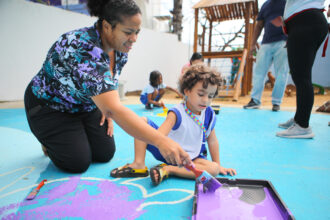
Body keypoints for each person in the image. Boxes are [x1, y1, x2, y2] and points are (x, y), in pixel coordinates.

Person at [24, 0, 191, 173]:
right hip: (50, 107)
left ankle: (72, 135)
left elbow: (107, 85)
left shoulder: (119, 49)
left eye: (137, 32)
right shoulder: (82, 49)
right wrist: (162, 141)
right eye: (128, 32)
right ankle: (47, 142)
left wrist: (108, 108)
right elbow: (113, 106)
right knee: (77, 162)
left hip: (84, 104)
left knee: (104, 153)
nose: (134, 39)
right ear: (107, 26)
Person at [111, 65, 236, 185]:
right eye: (201, 94)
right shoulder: (177, 113)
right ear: (187, 91)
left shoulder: (209, 114)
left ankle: (169, 170)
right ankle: (138, 164)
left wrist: (218, 164)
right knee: (142, 122)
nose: (206, 100)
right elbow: (158, 136)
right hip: (168, 152)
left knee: (213, 169)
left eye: (210, 96)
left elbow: (212, 140)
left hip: (193, 158)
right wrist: (171, 149)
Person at [276, 0, 328, 138]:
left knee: (302, 77)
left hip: (306, 21)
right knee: (301, 75)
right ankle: (299, 118)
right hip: (306, 21)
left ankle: (302, 125)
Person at [243, 0, 289, 112]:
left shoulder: (288, 2)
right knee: (259, 72)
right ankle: (255, 100)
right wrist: (253, 44)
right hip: (266, 43)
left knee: (281, 73)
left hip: (284, 41)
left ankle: (276, 102)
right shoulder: (266, 5)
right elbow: (259, 25)